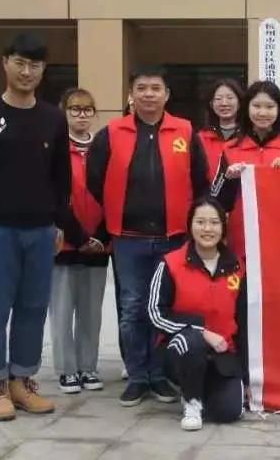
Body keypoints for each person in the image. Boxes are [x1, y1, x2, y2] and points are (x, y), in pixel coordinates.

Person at [0, 33, 70, 421]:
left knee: (33, 307)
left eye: (34, 65)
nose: (26, 72)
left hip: (41, 231)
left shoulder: (53, 118)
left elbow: (61, 178)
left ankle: (22, 379)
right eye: (19, 63)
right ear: (5, 63)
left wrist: (59, 223)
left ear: (43, 70)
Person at [86, 66, 211, 407]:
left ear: (167, 95)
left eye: (156, 88)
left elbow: (201, 180)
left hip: (174, 237)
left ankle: (160, 375)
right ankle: (137, 375)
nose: (149, 94)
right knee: (132, 307)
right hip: (128, 237)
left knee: (164, 308)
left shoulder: (185, 130)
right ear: (131, 95)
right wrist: (116, 209)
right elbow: (95, 179)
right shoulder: (112, 133)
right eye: (141, 88)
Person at [150, 197, 247, 431]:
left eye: (214, 222)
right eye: (200, 222)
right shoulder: (171, 263)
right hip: (180, 349)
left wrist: (246, 375)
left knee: (229, 412)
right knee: (192, 340)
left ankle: (204, 391)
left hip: (222, 353)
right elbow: (155, 313)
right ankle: (191, 401)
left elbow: (243, 320)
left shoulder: (236, 266)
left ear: (223, 227)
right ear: (190, 225)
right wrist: (202, 331)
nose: (207, 229)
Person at [51, 88, 110, 395]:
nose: (81, 115)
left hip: (99, 243)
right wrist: (77, 235)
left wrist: (100, 235)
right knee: (62, 310)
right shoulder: (54, 149)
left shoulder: (103, 148)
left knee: (91, 312)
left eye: (87, 109)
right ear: (64, 112)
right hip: (65, 242)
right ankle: (66, 369)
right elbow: (53, 197)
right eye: (75, 109)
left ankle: (88, 366)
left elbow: (114, 194)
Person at [213, 81, 280, 258]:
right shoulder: (231, 148)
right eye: (256, 106)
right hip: (242, 239)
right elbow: (218, 201)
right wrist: (229, 178)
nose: (262, 113)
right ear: (246, 108)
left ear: (279, 110)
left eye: (270, 107)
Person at [198, 79, 244, 182]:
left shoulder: (248, 136)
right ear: (211, 104)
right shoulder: (200, 138)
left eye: (230, 98)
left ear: (239, 102)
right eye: (218, 99)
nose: (224, 103)